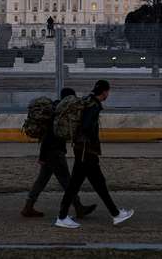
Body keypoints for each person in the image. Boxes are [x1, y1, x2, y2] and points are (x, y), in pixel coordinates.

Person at [55, 80, 134, 229]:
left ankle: (115, 213)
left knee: (94, 184)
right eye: (108, 92)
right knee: (82, 185)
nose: (108, 94)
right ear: (104, 92)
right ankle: (62, 217)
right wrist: (91, 138)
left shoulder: (88, 101)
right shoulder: (94, 105)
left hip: (83, 150)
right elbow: (85, 126)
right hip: (87, 151)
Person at [21, 87, 97, 219]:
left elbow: (46, 136)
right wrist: (43, 155)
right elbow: (49, 136)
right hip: (55, 152)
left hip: (50, 152)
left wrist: (43, 155)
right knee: (67, 181)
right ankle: (78, 207)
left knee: (42, 180)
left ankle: (28, 206)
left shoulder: (57, 109)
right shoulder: (58, 112)